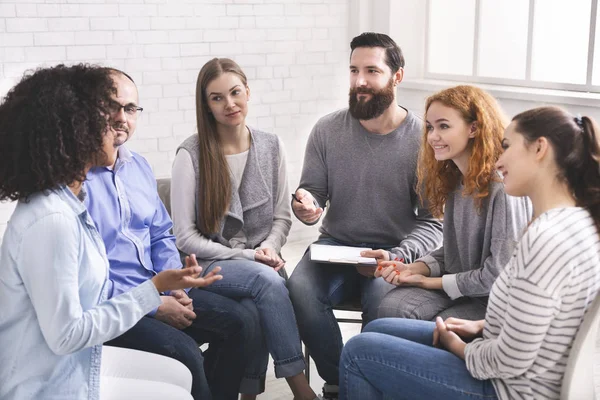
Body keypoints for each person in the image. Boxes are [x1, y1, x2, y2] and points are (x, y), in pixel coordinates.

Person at [338, 106, 600, 400]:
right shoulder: (577, 220)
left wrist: (459, 347)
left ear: (539, 148)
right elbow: (543, 320)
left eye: (507, 147)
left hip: (508, 389)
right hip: (513, 367)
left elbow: (509, 360)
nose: (499, 160)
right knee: (380, 327)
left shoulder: (545, 239)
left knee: (359, 352)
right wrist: (480, 326)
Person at [0, 64, 222, 400]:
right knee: (178, 387)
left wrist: (162, 283)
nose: (118, 126)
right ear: (76, 133)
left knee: (180, 374)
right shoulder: (53, 221)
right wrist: (153, 291)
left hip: (74, 362)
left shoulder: (72, 201)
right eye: (102, 119)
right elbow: (67, 335)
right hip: (48, 383)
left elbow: (99, 285)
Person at [286, 32, 443, 398]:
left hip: (393, 251)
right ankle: (341, 382)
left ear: (397, 77)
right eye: (354, 70)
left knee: (383, 302)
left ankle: (371, 381)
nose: (359, 81)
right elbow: (314, 199)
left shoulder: (423, 140)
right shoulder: (327, 130)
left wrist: (399, 255)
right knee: (299, 289)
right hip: (335, 245)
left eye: (372, 70)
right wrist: (306, 207)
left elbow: (434, 221)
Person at [84, 68, 256, 400]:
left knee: (238, 322)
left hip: (158, 287)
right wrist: (153, 302)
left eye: (131, 109)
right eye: (112, 106)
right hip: (113, 307)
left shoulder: (138, 167)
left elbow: (162, 233)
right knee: (185, 352)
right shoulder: (76, 182)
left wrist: (173, 284)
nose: (123, 117)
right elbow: (88, 278)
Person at [170, 57, 317, 400]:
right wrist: (249, 256)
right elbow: (185, 237)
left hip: (260, 260)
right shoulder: (190, 155)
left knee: (256, 303)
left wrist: (269, 247)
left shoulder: (270, 145)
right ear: (205, 105)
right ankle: (301, 387)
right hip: (207, 263)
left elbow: (282, 216)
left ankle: (247, 394)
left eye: (235, 93)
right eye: (216, 98)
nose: (229, 104)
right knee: (269, 282)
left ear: (248, 92)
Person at [375, 85, 531, 321]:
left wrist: (428, 282)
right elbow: (454, 254)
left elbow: (498, 274)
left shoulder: (503, 189)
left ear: (473, 128)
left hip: (497, 301)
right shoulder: (456, 181)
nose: (432, 136)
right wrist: (412, 268)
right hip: (465, 289)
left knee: (436, 322)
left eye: (443, 126)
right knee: (391, 307)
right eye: (429, 127)